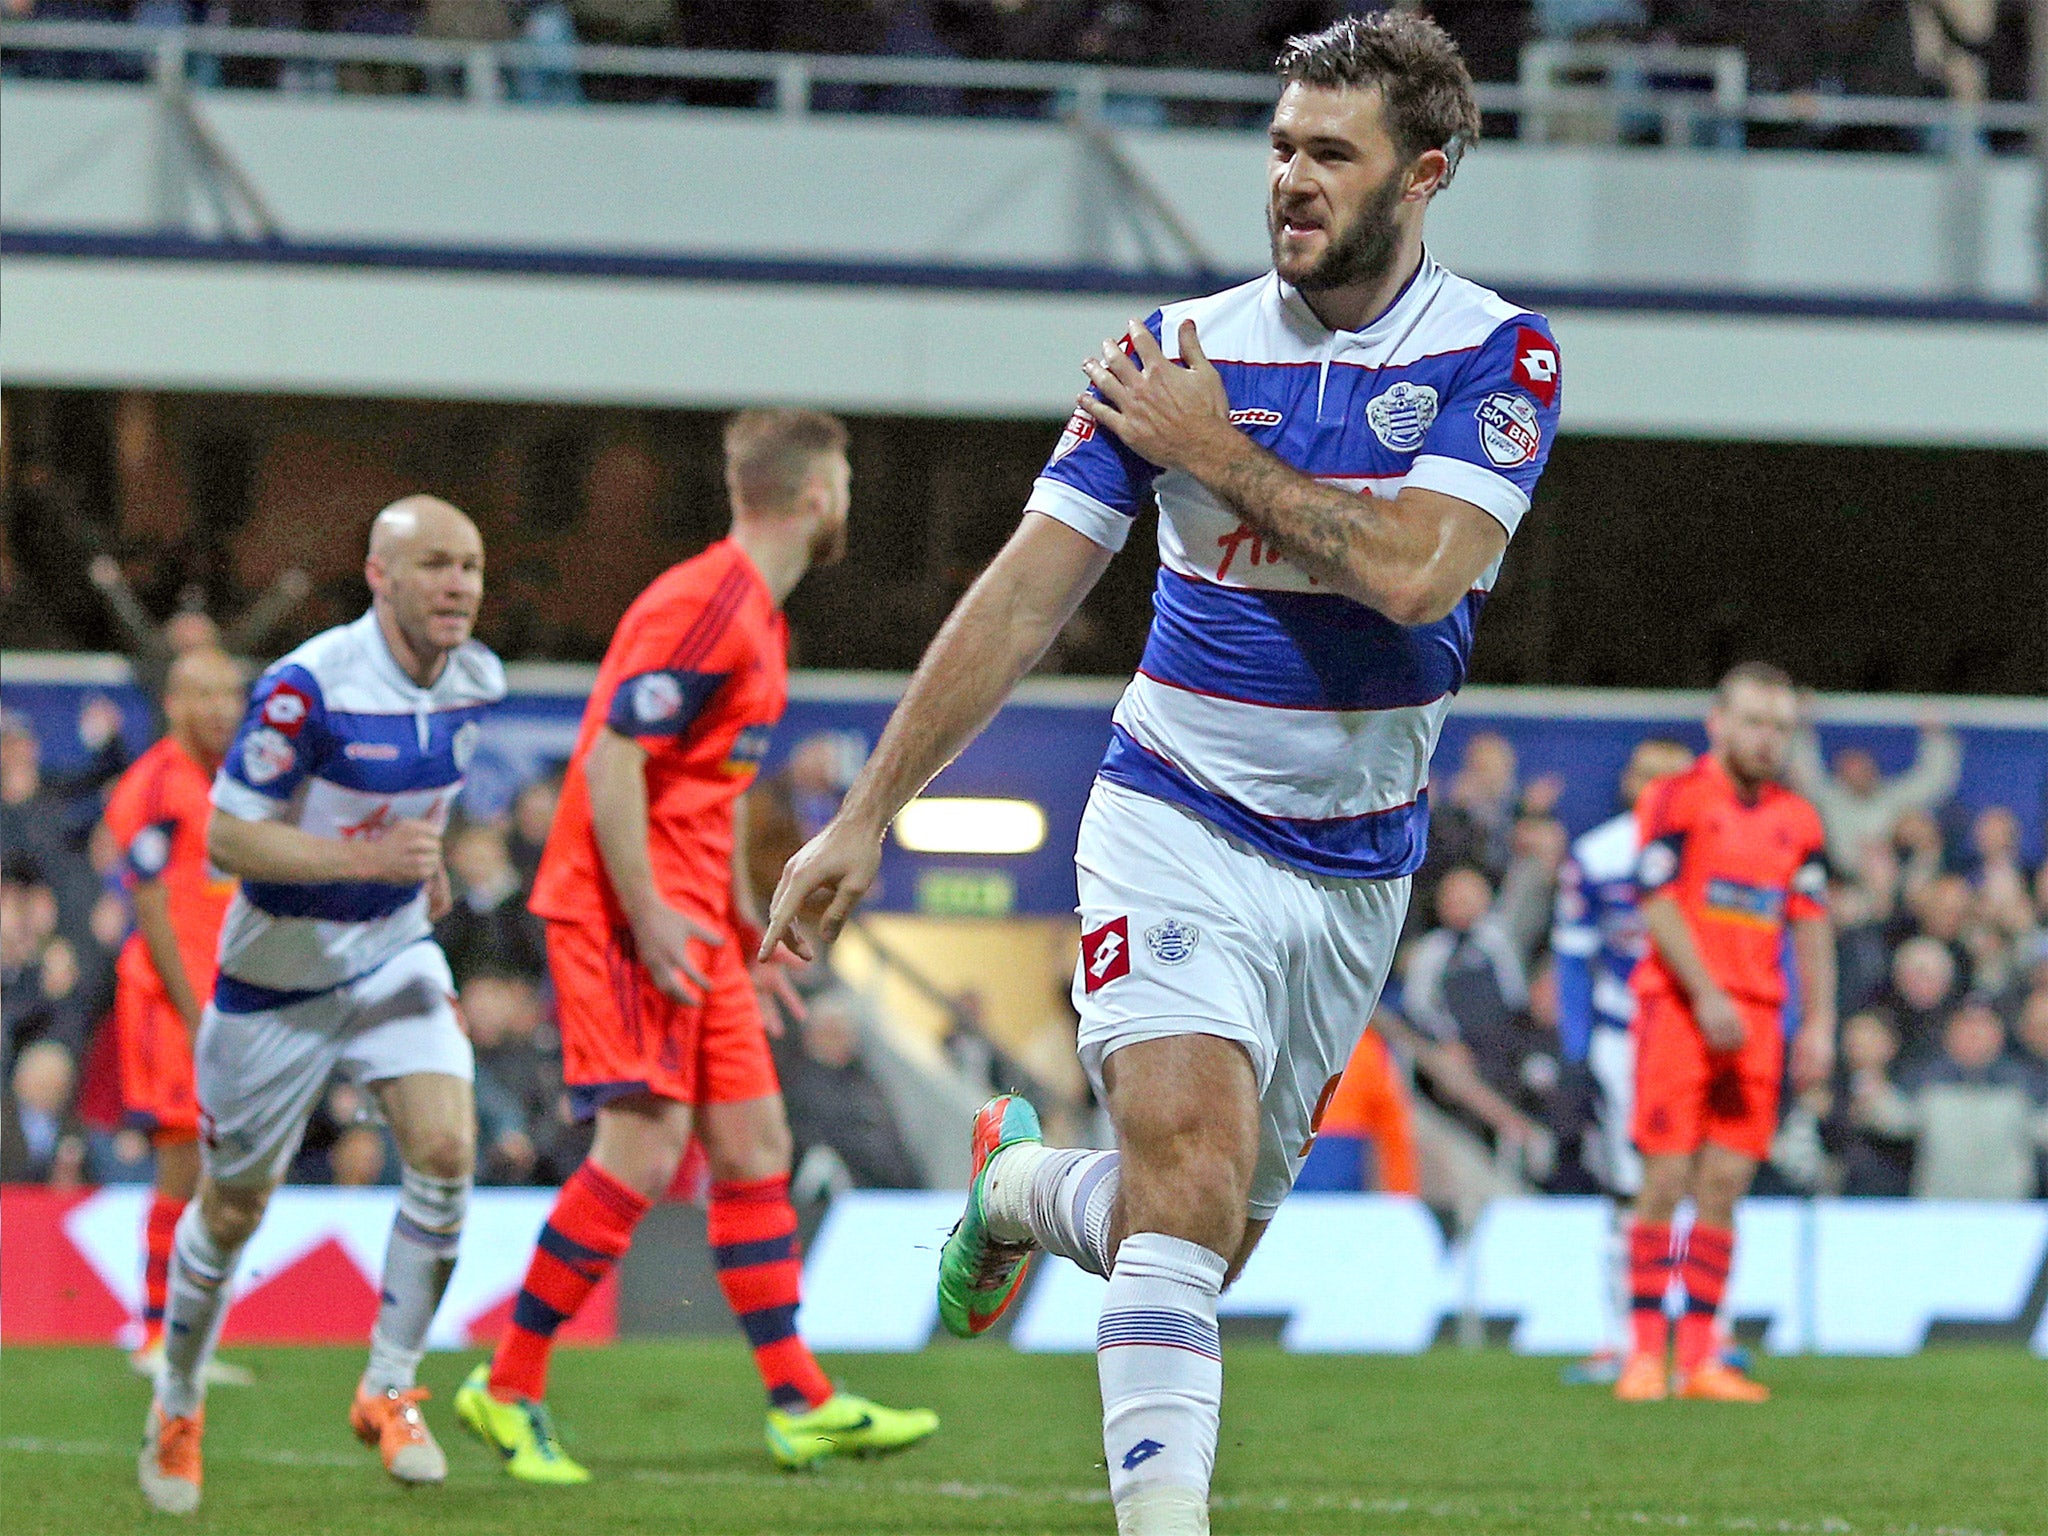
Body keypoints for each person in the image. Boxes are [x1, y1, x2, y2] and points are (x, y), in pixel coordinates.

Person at [763, 16, 1561, 1532]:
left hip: (1355, 861)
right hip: (1174, 811)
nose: (1291, 181)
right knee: (1187, 1184)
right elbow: (1021, 595)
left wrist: (1226, 453)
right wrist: (870, 815)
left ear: (1428, 175)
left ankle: (1013, 1194)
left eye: (1333, 154)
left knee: (1190, 1235)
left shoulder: (1495, 353)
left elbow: (1416, 574)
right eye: (1279, 148)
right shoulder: (1171, 357)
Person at [456, 410, 938, 1484]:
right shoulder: (706, 605)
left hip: (686, 917)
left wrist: (736, 925)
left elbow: (706, 798)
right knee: (638, 1152)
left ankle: (798, 1401)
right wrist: (653, 912)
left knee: (755, 1147)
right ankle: (507, 1384)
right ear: (817, 496)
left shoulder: (758, 623)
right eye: (847, 479)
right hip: (625, 915)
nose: (849, 499)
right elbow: (611, 769)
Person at [137, 497, 505, 1515]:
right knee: (232, 1206)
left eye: (470, 566)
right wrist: (368, 857)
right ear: (378, 576)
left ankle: (388, 1387)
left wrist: (418, 868)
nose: (458, 585)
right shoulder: (307, 689)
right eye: (434, 564)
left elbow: (416, 802)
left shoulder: (478, 681)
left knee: (443, 1151)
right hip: (274, 984)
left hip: (391, 955)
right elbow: (228, 839)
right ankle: (176, 1398)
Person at [1616, 662, 1835, 1406]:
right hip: (1682, 1008)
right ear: (1719, 724)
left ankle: (1702, 1355)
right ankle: (1645, 1353)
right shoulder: (1675, 798)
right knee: (1666, 1179)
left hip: (1761, 1020)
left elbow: (1810, 927)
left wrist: (1822, 1024)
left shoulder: (1797, 820)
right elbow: (1657, 901)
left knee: (1725, 1185)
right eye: (1754, 722)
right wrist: (1706, 993)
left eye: (1780, 728)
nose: (1767, 739)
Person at [100, 647, 258, 1385]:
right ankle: (158, 1333)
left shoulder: (231, 779)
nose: (222, 707)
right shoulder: (156, 783)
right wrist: (194, 1010)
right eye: (205, 694)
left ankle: (181, 1332)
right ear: (172, 702)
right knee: (182, 1161)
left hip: (223, 1000)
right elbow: (151, 902)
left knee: (212, 1167)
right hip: (173, 1005)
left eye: (231, 692)